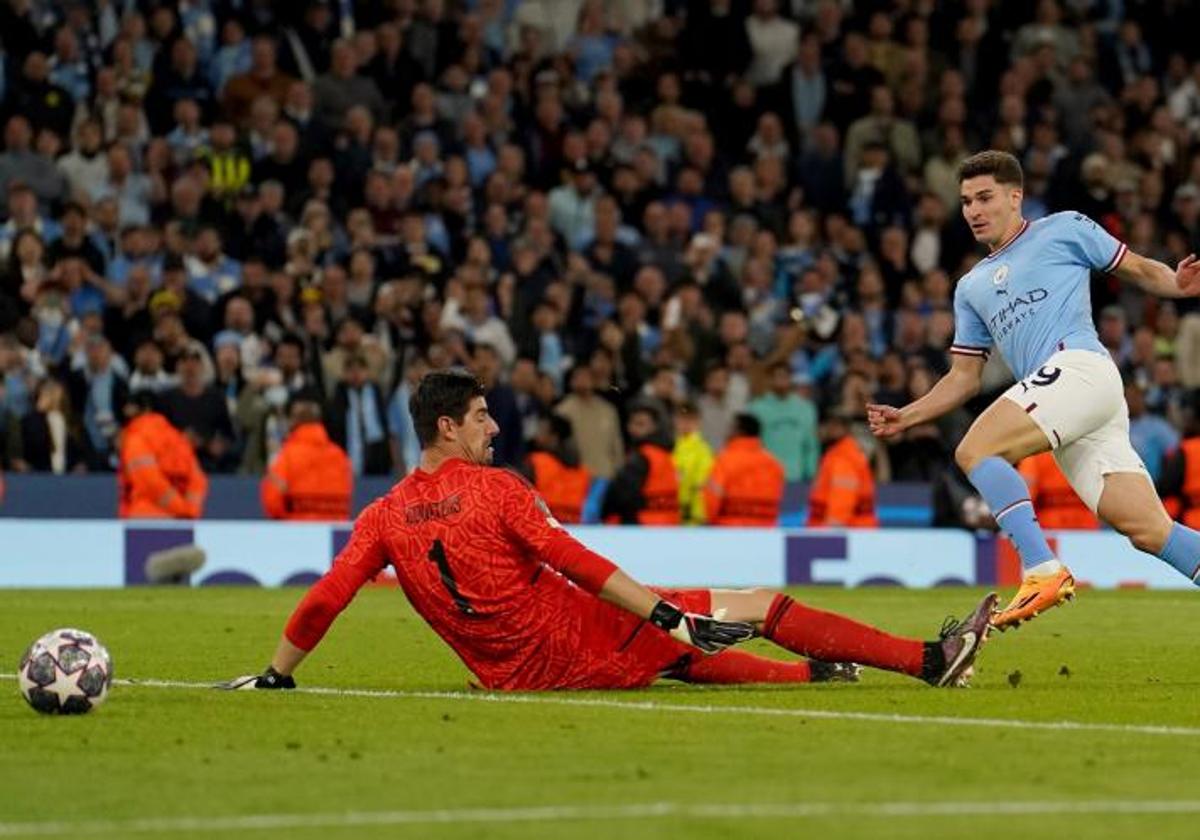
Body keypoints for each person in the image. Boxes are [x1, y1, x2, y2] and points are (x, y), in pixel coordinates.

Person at [226, 370, 996, 692]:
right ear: (447, 425)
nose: (494, 427)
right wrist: (658, 608)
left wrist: (278, 673)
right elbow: (571, 556)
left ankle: (817, 675)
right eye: (483, 416)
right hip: (574, 638)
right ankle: (930, 661)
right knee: (752, 607)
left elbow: (326, 598)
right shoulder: (496, 489)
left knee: (676, 656)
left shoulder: (383, 515)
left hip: (510, 674)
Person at [868, 150, 1200, 631]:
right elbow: (963, 377)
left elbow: (1137, 268)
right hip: (1071, 403)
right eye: (965, 202)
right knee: (1149, 530)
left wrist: (1175, 283)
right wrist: (909, 415)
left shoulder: (1063, 228)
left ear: (1015, 196)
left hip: (1080, 369)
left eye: (984, 197)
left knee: (976, 449)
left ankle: (1041, 568)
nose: (973, 211)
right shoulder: (971, 287)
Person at [261, 390, 353, 521]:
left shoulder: (287, 455)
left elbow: (272, 500)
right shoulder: (340, 455)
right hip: (333, 532)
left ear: (293, 422)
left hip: (299, 531)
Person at [118, 390, 207, 519]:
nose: (125, 411)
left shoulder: (136, 437)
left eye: (130, 406)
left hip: (145, 518)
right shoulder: (177, 438)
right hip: (183, 522)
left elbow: (148, 480)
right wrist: (189, 511)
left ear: (145, 408)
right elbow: (198, 480)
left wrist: (179, 508)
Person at [603, 404, 681, 526]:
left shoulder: (642, 457)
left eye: (640, 424)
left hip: (642, 525)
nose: (633, 429)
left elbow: (621, 496)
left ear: (654, 427)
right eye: (632, 423)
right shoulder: (667, 455)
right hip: (669, 524)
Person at [704, 414, 785, 526]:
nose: (726, 433)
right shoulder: (775, 465)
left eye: (730, 428)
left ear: (738, 431)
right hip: (766, 534)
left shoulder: (724, 461)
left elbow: (712, 500)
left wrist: (710, 521)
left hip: (730, 532)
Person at [807, 410, 879, 528]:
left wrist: (832, 534)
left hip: (849, 533)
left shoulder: (844, 457)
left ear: (844, 429)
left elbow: (841, 501)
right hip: (856, 531)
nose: (827, 430)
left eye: (832, 425)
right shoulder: (839, 453)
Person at [1018, 452, 1099, 530]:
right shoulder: (1091, 452)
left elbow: (1024, 501)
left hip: (1050, 529)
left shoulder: (1034, 456)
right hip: (1084, 529)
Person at [671, 400, 714, 525]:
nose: (686, 424)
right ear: (675, 420)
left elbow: (703, 482)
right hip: (672, 514)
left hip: (693, 517)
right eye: (682, 419)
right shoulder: (670, 447)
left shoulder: (703, 450)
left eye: (691, 419)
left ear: (698, 422)